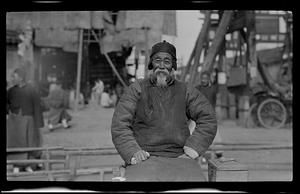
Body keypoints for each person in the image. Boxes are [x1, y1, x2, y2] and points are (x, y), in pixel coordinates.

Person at [111, 40, 217, 181]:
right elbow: (120, 124)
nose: (161, 66)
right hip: (144, 157)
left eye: (167, 61)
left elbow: (208, 118)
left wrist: (192, 150)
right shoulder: (136, 89)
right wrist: (133, 151)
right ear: (151, 64)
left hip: (179, 157)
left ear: (173, 65)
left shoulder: (186, 90)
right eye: (157, 60)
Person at [7, 68, 44, 173]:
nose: (12, 79)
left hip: (29, 121)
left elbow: (37, 106)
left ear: (21, 77)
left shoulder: (32, 90)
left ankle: (28, 164)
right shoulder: (11, 91)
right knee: (16, 143)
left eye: (14, 77)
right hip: (14, 122)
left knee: (30, 142)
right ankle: (17, 165)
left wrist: (38, 123)